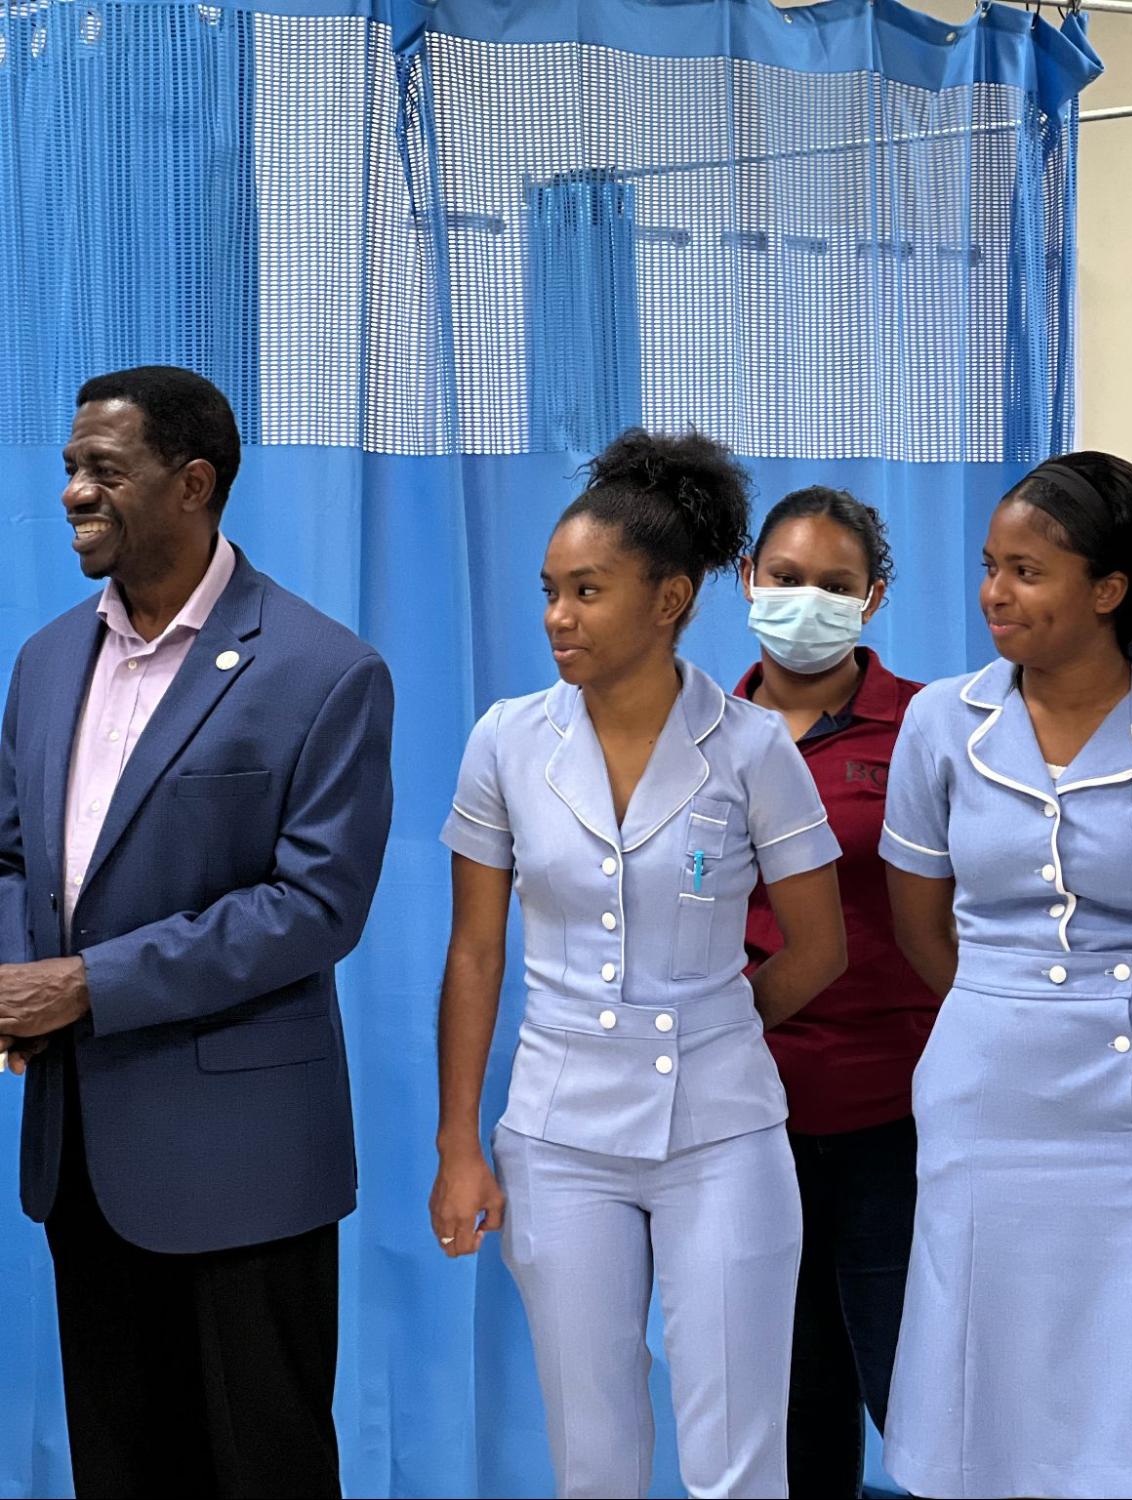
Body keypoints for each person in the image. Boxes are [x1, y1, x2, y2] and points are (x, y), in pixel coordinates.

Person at [427, 430, 848, 1500]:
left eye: (586, 591)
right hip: (557, 1129)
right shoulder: (506, 742)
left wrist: (716, 1021)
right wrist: (458, 1144)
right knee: (594, 1451)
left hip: (723, 1133)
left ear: (668, 601)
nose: (556, 618)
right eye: (549, 591)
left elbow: (820, 946)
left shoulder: (753, 749)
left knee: (736, 1451)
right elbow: (476, 954)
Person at [0, 365, 395, 1496]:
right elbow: (13, 854)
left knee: (259, 1467)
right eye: (70, 467)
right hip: (82, 1159)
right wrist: (17, 976)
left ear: (192, 483)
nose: (75, 490)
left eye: (103, 470)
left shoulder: (325, 672)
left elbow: (315, 907)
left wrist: (81, 986)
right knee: (121, 1468)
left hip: (246, 1169)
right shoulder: (41, 662)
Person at [877, 452, 1132, 1499]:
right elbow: (921, 917)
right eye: (991, 567)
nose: (995, 593)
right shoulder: (942, 723)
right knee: (984, 1349)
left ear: (1108, 589)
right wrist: (1009, 999)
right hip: (986, 1075)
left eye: (1027, 572)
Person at [731, 487, 931, 1497]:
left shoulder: (926, 728)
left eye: (835, 586)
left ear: (874, 598)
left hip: (892, 1111)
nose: (806, 600)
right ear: (744, 581)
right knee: (786, 1402)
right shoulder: (696, 729)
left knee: (921, 1393)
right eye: (786, 578)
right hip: (741, 1119)